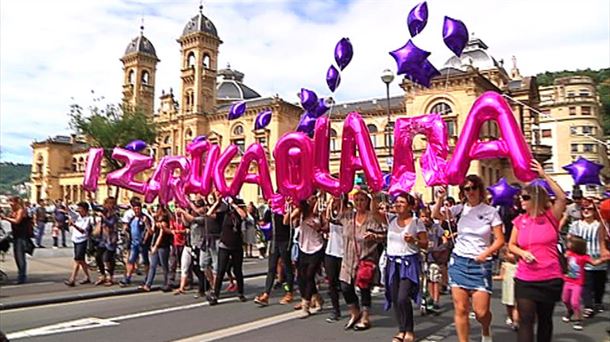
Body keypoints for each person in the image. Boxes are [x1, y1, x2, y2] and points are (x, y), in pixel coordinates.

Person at [432, 175, 504, 342]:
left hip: (480, 264)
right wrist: (440, 198)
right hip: (459, 261)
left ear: (480, 189)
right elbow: (437, 215)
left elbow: (500, 240)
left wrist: (486, 253)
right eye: (467, 189)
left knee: (481, 312)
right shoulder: (460, 209)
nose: (471, 192)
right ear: (463, 192)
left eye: (473, 188)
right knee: (461, 308)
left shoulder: (490, 212)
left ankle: (486, 329)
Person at [508, 160, 566, 342]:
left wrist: (543, 175)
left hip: (549, 276)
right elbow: (511, 245)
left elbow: (562, 197)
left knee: (545, 320)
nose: (521, 200)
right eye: (521, 197)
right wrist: (522, 253)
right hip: (526, 278)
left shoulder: (551, 217)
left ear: (536, 199)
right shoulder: (519, 220)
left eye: (525, 197)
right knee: (525, 319)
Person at [337, 189, 386, 331]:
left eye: (362, 200)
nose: (359, 203)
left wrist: (374, 237)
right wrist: (335, 198)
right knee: (345, 286)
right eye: (356, 200)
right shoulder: (348, 216)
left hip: (366, 258)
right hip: (347, 258)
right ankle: (354, 312)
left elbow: (384, 234)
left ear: (367, 201)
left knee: (364, 288)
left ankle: (365, 316)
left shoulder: (373, 217)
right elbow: (332, 218)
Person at [384, 192, 428, 342]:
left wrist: (414, 240)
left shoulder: (416, 222)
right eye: (396, 202)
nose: (398, 204)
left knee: (403, 297)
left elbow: (425, 243)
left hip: (408, 263)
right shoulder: (390, 219)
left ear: (410, 206)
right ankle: (401, 330)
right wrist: (374, 192)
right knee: (395, 298)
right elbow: (374, 212)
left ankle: (409, 330)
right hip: (391, 262)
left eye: (402, 202)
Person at [567, 197, 610, 318]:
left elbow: (605, 238)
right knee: (586, 284)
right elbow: (570, 238)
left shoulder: (600, 224)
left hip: (600, 258)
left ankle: (597, 302)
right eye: (583, 209)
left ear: (594, 211)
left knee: (599, 284)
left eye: (589, 209)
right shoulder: (576, 225)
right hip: (583, 259)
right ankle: (588, 306)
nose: (586, 211)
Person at [286, 193, 326, 318]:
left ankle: (305, 305)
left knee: (310, 275)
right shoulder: (301, 212)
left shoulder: (320, 212)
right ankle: (317, 297)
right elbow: (286, 221)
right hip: (304, 247)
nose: (312, 201)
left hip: (317, 247)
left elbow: (326, 227)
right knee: (303, 277)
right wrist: (290, 207)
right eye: (310, 199)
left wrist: (318, 227)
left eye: (314, 198)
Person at [561, 236, 608, 331]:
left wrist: (603, 259)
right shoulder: (569, 253)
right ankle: (570, 311)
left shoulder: (583, 257)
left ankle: (578, 319)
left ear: (576, 246)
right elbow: (561, 258)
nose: (568, 244)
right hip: (568, 281)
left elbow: (594, 263)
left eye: (570, 243)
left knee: (575, 302)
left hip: (577, 283)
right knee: (565, 299)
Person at [254, 199, 295, 307]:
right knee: (271, 268)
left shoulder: (286, 207)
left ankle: (289, 292)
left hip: (285, 240)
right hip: (274, 240)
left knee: (287, 267)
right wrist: (258, 219)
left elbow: (287, 222)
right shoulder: (271, 210)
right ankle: (266, 294)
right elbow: (264, 221)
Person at [208, 197, 248, 305]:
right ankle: (215, 295)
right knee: (221, 271)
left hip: (237, 246)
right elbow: (209, 214)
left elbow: (244, 216)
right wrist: (217, 202)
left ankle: (240, 293)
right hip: (224, 246)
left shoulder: (238, 215)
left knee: (237, 271)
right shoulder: (224, 214)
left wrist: (235, 205)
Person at [322, 195, 346, 323]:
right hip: (331, 251)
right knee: (331, 282)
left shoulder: (348, 213)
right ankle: (336, 310)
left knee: (345, 284)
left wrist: (330, 210)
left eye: (336, 198)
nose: (334, 200)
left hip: (344, 253)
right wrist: (327, 208)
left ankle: (355, 307)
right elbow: (326, 224)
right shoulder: (331, 212)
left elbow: (336, 221)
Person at [420, 207, 447, 311]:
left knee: (434, 278)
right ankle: (430, 298)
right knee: (426, 279)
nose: (425, 219)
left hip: (434, 255)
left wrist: (441, 248)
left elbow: (444, 238)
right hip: (422, 255)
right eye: (422, 217)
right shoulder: (418, 227)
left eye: (426, 216)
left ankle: (436, 300)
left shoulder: (435, 227)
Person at [119, 202, 153, 287]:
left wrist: (147, 224)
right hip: (134, 244)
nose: (137, 210)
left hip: (143, 244)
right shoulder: (132, 218)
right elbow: (129, 229)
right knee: (131, 260)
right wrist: (126, 231)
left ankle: (147, 278)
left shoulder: (145, 218)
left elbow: (150, 232)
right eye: (135, 209)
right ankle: (127, 277)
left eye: (138, 209)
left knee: (145, 262)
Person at [141, 206, 173, 292]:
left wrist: (156, 245)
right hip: (155, 246)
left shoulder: (164, 222)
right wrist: (147, 223)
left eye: (158, 210)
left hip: (163, 246)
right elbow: (152, 232)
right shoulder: (157, 222)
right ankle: (148, 284)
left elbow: (161, 235)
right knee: (152, 265)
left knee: (164, 265)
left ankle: (167, 283)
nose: (156, 211)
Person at [0, 196, 30, 284]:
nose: (10, 205)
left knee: (20, 257)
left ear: (16, 202)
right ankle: (21, 275)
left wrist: (5, 218)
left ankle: (22, 277)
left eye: (11, 203)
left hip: (22, 236)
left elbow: (17, 221)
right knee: (17, 256)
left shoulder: (21, 210)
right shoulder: (14, 211)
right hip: (16, 235)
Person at [64, 202, 94, 287]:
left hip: (82, 240)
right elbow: (68, 210)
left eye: (80, 208)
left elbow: (83, 230)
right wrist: (66, 200)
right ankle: (87, 277)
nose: (79, 210)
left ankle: (72, 279)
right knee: (81, 260)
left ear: (85, 210)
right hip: (75, 240)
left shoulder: (88, 219)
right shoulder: (77, 216)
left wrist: (73, 225)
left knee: (77, 260)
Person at [95, 199, 119, 286]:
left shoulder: (114, 215)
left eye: (109, 204)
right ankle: (103, 275)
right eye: (106, 204)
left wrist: (103, 217)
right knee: (98, 256)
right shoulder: (104, 212)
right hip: (103, 239)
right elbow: (95, 207)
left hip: (111, 239)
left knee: (108, 258)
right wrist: (90, 198)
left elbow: (110, 224)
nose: (106, 206)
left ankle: (111, 276)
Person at [494, 247, 519, 331]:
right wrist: (492, 277)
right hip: (508, 287)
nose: (513, 255)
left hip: (517, 286)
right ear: (505, 255)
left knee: (516, 305)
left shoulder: (519, 265)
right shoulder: (505, 265)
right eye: (510, 253)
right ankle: (511, 317)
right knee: (509, 305)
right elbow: (501, 276)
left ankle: (516, 322)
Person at [169, 212, 187, 287]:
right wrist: (172, 230)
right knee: (173, 263)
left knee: (184, 263)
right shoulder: (173, 220)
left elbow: (187, 230)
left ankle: (187, 280)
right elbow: (171, 228)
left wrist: (179, 231)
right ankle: (171, 280)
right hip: (175, 243)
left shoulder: (184, 219)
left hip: (183, 243)